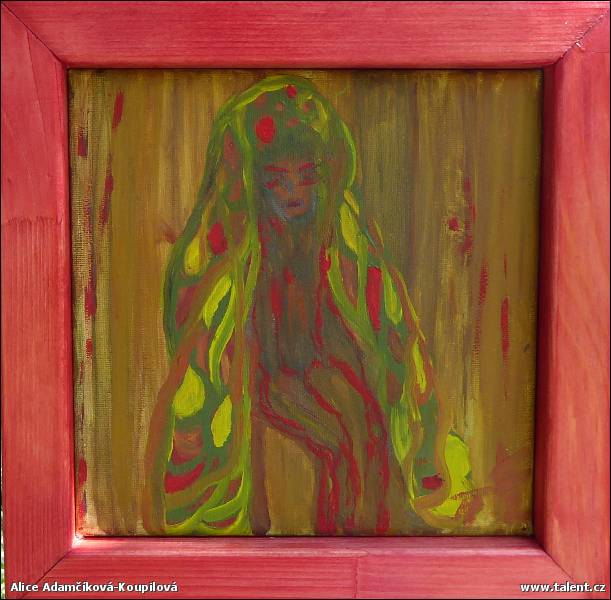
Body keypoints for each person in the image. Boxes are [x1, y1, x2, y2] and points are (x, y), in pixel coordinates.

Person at [143, 75, 475, 535]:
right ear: (253, 182)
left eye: (308, 176)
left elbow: (391, 330)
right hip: (250, 366)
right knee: (290, 445)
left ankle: (353, 549)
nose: (294, 193)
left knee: (364, 428)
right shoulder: (227, 246)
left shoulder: (340, 234)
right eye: (277, 181)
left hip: (312, 356)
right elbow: (203, 346)